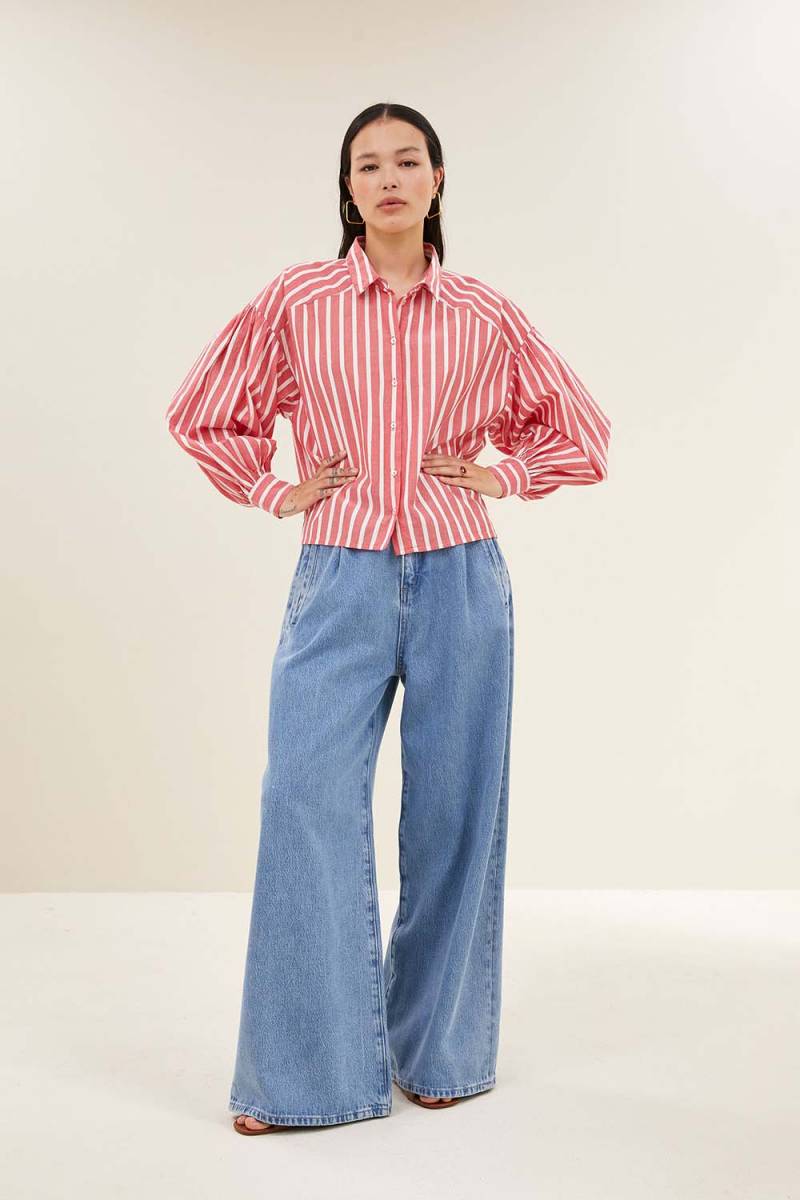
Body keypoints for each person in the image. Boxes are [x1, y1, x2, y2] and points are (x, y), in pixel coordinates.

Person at [165, 102, 612, 1135]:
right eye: (367, 166)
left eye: (407, 161)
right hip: (340, 575)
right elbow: (203, 411)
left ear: (438, 179)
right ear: (348, 189)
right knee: (305, 800)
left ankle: (438, 1053)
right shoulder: (299, 299)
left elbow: (581, 433)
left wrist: (504, 474)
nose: (388, 178)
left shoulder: (485, 313)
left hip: (462, 578)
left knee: (456, 814)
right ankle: (302, 1077)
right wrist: (275, 490)